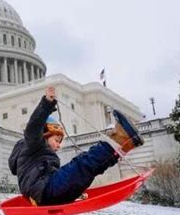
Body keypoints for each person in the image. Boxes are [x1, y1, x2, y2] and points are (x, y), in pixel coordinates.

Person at [8, 86, 144, 206]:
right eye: (57, 140)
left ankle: (123, 147)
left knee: (89, 169)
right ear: (45, 133)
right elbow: (33, 126)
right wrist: (46, 104)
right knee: (82, 164)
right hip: (46, 190)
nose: (59, 146)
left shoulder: (39, 155)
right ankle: (121, 139)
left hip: (46, 192)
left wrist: (75, 192)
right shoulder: (33, 143)